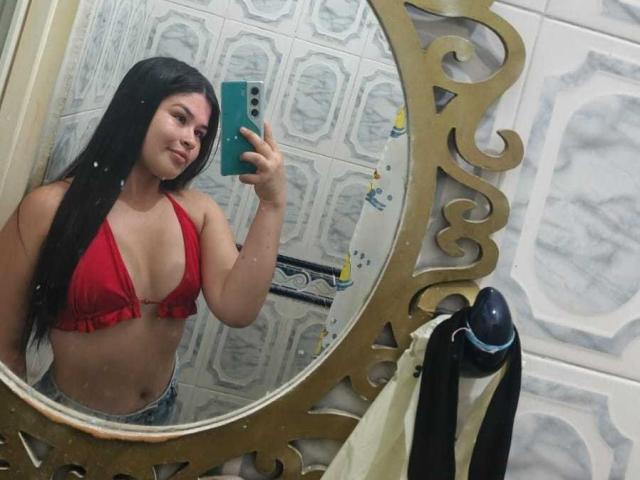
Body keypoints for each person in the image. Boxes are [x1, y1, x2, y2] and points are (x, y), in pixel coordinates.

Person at [0, 57, 286, 425]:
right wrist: (22, 432)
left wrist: (272, 204)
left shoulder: (199, 212)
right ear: (137, 108)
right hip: (66, 420)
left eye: (200, 133)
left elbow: (238, 309)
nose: (190, 140)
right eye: (180, 118)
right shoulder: (49, 208)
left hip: (160, 416)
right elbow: (5, 345)